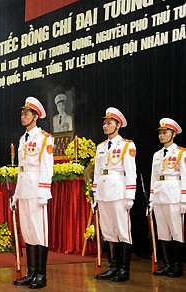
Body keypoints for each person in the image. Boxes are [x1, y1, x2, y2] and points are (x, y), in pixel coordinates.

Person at [10, 96, 54, 289]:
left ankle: (41, 274)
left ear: (36, 116)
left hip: (37, 191)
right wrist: (16, 195)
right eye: (22, 113)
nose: (23, 116)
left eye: (26, 113)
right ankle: (31, 272)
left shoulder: (44, 138)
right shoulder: (22, 140)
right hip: (25, 190)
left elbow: (47, 167)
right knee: (28, 233)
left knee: (39, 233)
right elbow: (21, 169)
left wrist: (44, 192)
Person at [93, 107, 136, 282]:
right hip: (103, 192)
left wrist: (130, 195)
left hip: (119, 192)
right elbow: (97, 172)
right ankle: (113, 266)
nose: (105, 125)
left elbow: (130, 171)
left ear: (118, 125)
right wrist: (95, 194)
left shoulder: (126, 145)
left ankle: (124, 269)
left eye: (109, 123)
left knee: (122, 231)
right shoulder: (101, 147)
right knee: (109, 231)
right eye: (104, 123)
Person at [149, 118, 185, 277]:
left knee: (176, 232)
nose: (161, 136)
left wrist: (184, 199)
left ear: (173, 134)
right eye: (160, 133)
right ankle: (167, 264)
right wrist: (151, 199)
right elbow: (153, 177)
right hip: (159, 195)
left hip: (174, 195)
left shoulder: (181, 153)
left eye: (165, 133)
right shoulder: (157, 155)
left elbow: (185, 176)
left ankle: (177, 266)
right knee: (162, 232)